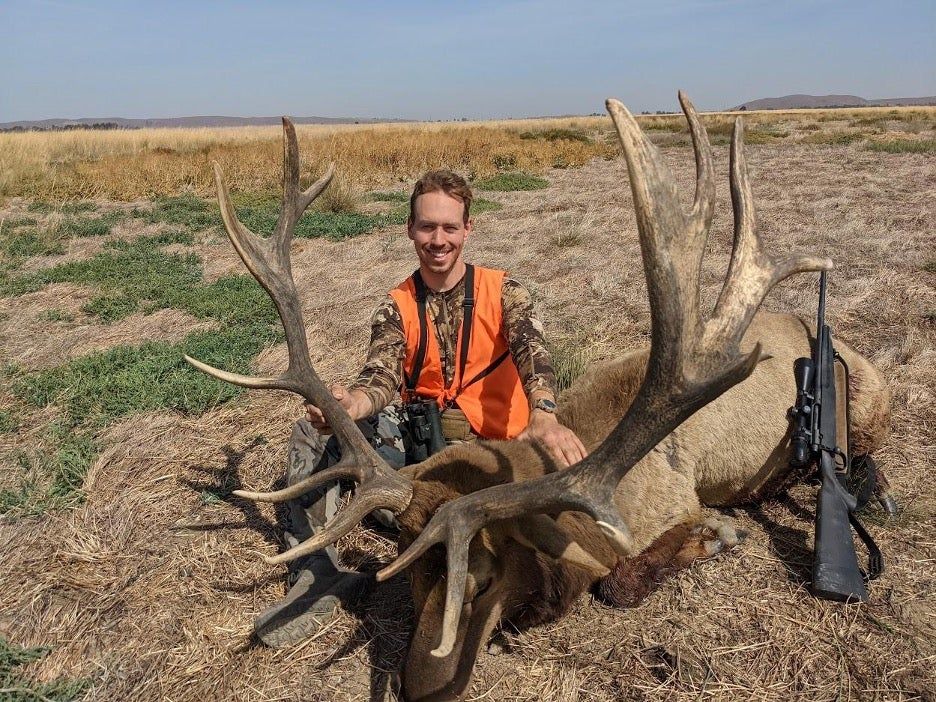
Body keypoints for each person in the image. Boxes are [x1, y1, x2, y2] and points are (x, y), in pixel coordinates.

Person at [254, 169, 588, 647]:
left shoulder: (505, 291)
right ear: (410, 230)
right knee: (313, 435)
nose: (438, 240)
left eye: (450, 228)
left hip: (501, 460)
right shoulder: (397, 306)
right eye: (427, 227)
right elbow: (382, 376)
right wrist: (349, 405)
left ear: (467, 230)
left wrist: (544, 413)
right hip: (425, 458)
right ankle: (315, 573)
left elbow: (533, 351)